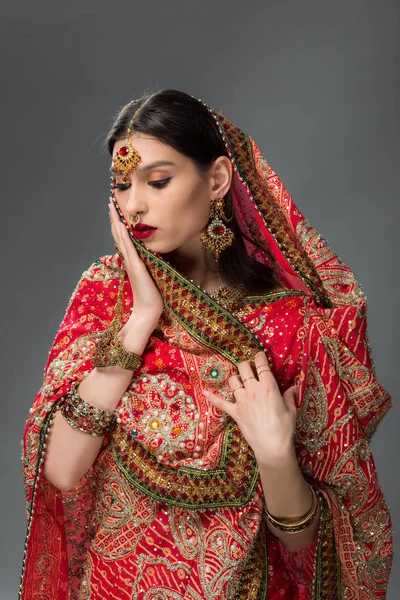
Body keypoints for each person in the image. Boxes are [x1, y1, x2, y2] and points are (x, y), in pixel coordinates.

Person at [19, 89, 393, 600]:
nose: (134, 206)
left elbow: (314, 550)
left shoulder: (291, 328)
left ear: (216, 179)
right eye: (121, 187)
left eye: (158, 181)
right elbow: (60, 470)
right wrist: (141, 318)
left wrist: (275, 456)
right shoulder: (107, 297)